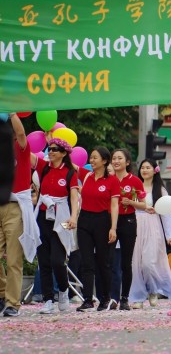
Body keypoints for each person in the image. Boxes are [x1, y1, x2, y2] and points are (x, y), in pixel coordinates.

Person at [32, 138, 79, 314]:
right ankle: (48, 299)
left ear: (64, 153)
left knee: (58, 260)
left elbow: (74, 198)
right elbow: (26, 152)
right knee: (43, 260)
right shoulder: (43, 167)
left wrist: (74, 217)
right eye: (49, 148)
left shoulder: (69, 173)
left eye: (55, 149)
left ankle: (64, 290)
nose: (51, 152)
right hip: (43, 216)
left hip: (64, 218)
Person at [76, 147, 120, 312]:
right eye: (91, 158)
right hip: (84, 221)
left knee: (103, 262)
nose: (91, 161)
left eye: (95, 158)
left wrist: (113, 228)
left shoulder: (112, 181)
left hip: (103, 221)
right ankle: (87, 299)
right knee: (86, 262)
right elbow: (70, 164)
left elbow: (114, 206)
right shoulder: (87, 175)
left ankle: (106, 298)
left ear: (104, 161)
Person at [130, 159, 171, 308]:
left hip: (153, 227)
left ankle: (153, 290)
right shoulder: (135, 187)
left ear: (154, 170)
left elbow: (166, 214)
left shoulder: (160, 190)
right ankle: (138, 296)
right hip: (136, 226)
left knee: (148, 263)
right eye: (142, 167)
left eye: (148, 167)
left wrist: (169, 235)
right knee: (136, 264)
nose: (144, 170)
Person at [0, 113, 33, 317]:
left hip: (14, 208)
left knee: (13, 259)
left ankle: (13, 303)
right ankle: (2, 293)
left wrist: (11, 111)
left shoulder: (20, 149)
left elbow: (21, 132)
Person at [110, 149, 147, 310]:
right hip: (110, 222)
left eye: (120, 158)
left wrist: (131, 202)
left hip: (128, 221)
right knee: (110, 261)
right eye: (114, 158)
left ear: (127, 162)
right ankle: (111, 298)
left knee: (126, 262)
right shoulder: (107, 180)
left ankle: (124, 298)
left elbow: (144, 205)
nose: (116, 161)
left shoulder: (135, 181)